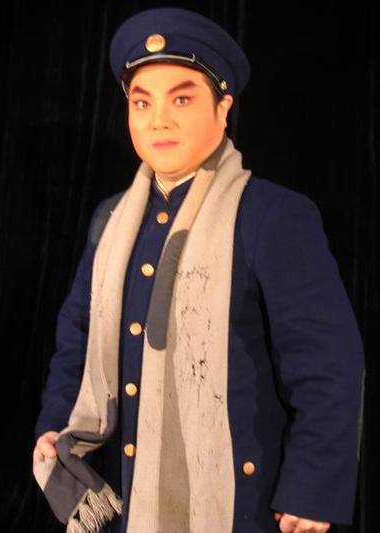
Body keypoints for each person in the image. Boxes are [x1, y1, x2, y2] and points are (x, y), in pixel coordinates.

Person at [32, 7, 365, 533]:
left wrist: (313, 487)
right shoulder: (110, 220)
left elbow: (327, 363)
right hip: (127, 499)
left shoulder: (272, 216)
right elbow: (76, 337)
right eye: (142, 102)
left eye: (182, 99)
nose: (158, 120)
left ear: (223, 107)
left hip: (242, 506)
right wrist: (55, 424)